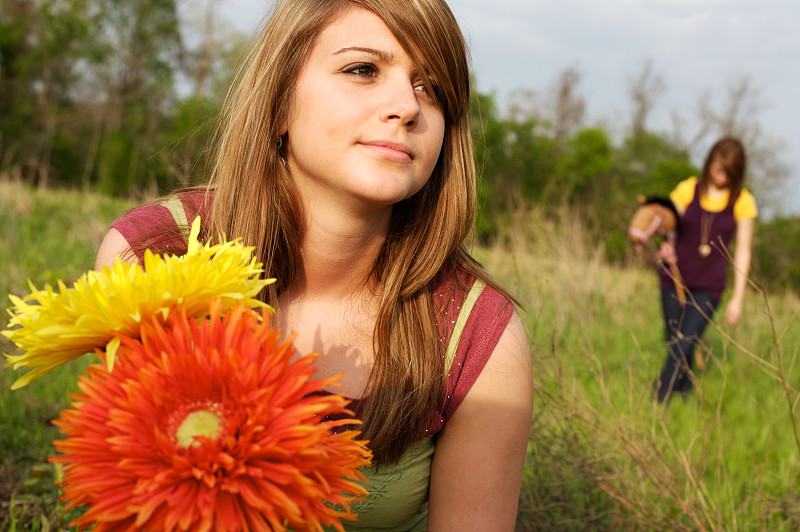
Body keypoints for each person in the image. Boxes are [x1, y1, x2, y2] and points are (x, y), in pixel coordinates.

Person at [95, 0, 534, 529]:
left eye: (431, 88)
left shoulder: (479, 336)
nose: (406, 106)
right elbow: (131, 497)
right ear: (279, 103)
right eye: (362, 69)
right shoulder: (155, 261)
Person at [653, 137, 757, 403]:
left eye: (727, 172)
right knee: (674, 338)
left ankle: (658, 400)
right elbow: (669, 223)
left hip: (708, 287)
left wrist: (738, 298)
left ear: (736, 173)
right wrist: (666, 243)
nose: (719, 176)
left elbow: (743, 251)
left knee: (684, 342)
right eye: (716, 167)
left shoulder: (743, 201)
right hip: (674, 276)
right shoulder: (689, 189)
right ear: (709, 162)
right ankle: (684, 397)